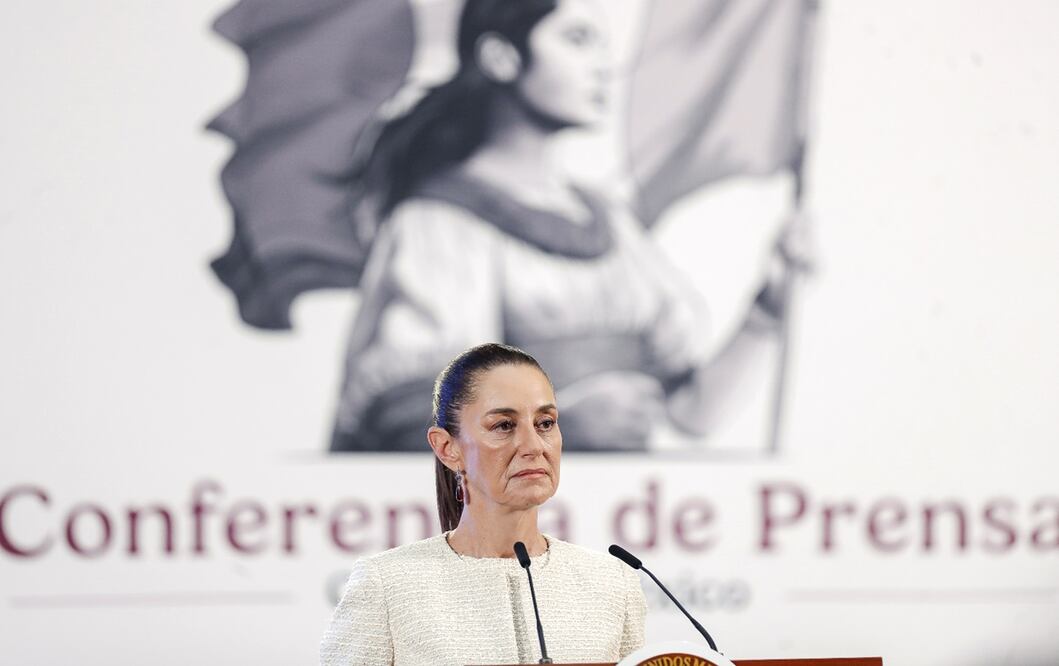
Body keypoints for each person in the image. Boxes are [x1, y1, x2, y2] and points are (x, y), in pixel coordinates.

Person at [330, 0, 791, 452]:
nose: (601, 67)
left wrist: (766, 312)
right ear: (501, 57)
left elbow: (688, 412)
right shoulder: (437, 222)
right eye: (577, 40)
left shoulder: (610, 222)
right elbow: (406, 421)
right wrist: (558, 425)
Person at [320, 343, 647, 665]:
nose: (533, 445)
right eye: (504, 426)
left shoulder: (613, 582)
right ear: (447, 448)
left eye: (545, 423)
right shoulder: (386, 585)